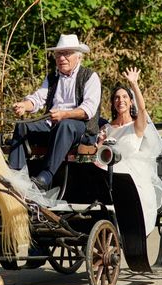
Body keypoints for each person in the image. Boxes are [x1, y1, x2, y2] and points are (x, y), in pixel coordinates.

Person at [8, 34, 102, 190]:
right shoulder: (52, 77)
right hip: (52, 125)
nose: (62, 58)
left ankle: (46, 176)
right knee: (22, 125)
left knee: (65, 125)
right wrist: (24, 105)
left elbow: (88, 110)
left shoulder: (90, 77)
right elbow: (38, 98)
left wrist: (64, 114)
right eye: (59, 54)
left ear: (78, 57)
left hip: (80, 130)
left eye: (67, 54)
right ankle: (16, 174)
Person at [97, 67, 162, 236]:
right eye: (117, 98)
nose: (121, 100)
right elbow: (98, 151)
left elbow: (142, 109)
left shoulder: (137, 125)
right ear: (113, 102)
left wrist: (134, 84)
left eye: (125, 97)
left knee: (121, 180)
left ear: (131, 101)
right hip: (108, 169)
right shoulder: (106, 128)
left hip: (133, 171)